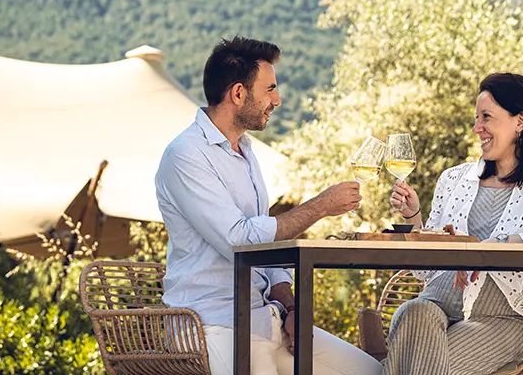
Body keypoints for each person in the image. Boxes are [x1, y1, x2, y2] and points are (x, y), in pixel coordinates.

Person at [155, 36, 382, 375]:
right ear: (237, 93)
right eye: (269, 89)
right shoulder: (186, 155)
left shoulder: (245, 151)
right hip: (212, 323)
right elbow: (242, 241)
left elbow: (266, 244)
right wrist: (321, 206)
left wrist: (290, 307)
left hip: (265, 318)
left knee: (371, 371)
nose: (277, 100)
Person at [385, 73, 523, 375]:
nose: (477, 128)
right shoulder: (453, 178)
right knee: (413, 310)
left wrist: (495, 248)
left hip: (499, 319)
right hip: (434, 303)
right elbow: (424, 270)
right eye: (477, 118)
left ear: (521, 122)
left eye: (486, 117)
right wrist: (413, 217)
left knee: (418, 364)